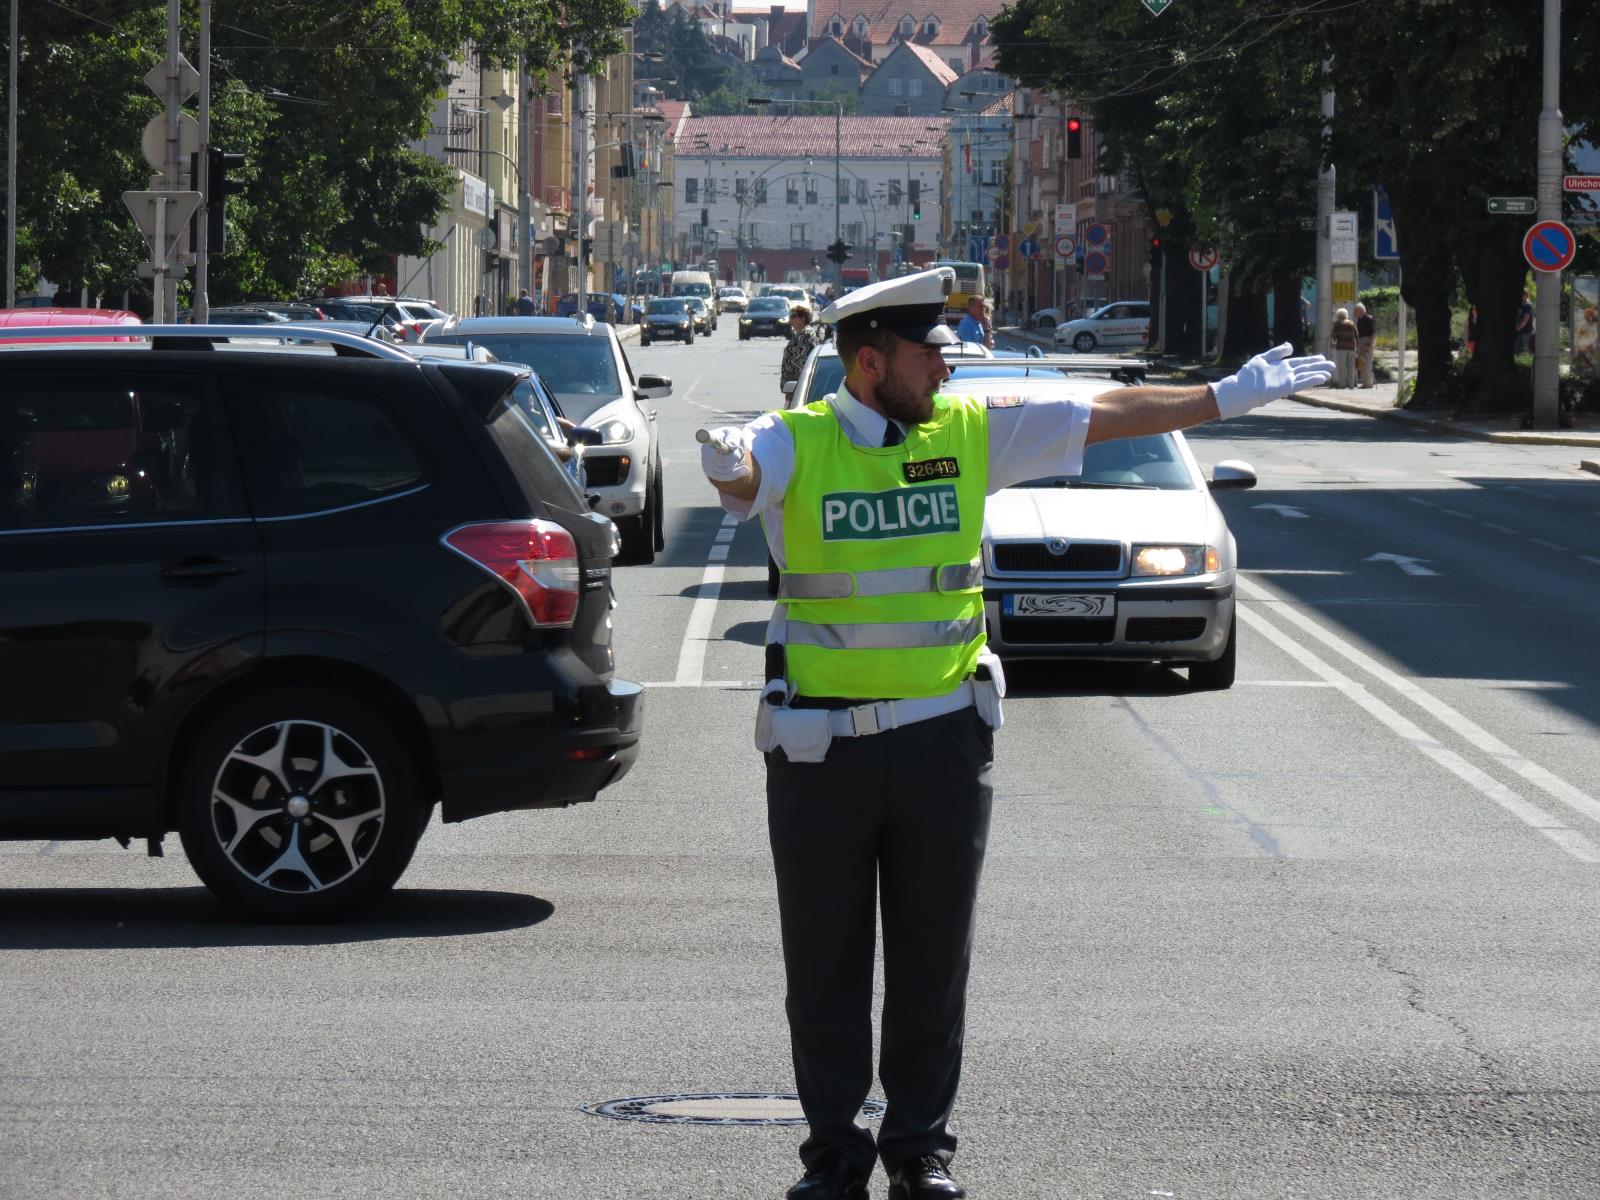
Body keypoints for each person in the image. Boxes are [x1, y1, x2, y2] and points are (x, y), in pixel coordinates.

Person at [698, 267, 1333, 1200]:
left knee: (932, 957)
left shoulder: (969, 429)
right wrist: (727, 464)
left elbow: (1103, 411)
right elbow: (748, 473)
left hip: (942, 742)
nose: (945, 367)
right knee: (824, 960)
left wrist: (1222, 398)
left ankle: (920, 1149)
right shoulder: (799, 441)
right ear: (871, 362)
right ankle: (834, 1149)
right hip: (820, 751)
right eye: (929, 353)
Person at [781, 303, 827, 399]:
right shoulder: (798, 335)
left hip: (800, 386)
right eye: (790, 316)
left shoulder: (806, 336)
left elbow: (804, 360)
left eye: (793, 316)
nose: (790, 319)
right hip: (793, 385)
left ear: (802, 319)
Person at [1331, 306, 1359, 388]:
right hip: (1351, 347)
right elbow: (1356, 335)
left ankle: (1342, 385)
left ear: (1338, 315)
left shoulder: (1337, 324)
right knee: (1351, 366)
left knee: (1342, 366)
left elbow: (1334, 336)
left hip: (1341, 347)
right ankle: (1351, 384)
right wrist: (1356, 346)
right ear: (1346, 315)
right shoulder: (1351, 323)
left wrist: (1334, 338)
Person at [1354, 302, 1376, 388]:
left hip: (1367, 342)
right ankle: (1365, 382)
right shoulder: (1359, 320)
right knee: (1361, 363)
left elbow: (1373, 333)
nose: (1354, 313)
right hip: (1360, 342)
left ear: (1360, 311)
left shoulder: (1369, 319)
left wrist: (1369, 344)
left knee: (1367, 363)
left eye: (1355, 311)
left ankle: (1369, 383)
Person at [1515, 289, 1535, 354]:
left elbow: (1524, 321)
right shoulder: (1520, 305)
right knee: (1517, 351)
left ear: (1526, 296)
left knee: (1524, 352)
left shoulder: (1528, 306)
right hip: (1519, 332)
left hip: (1526, 333)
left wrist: (1516, 329)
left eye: (1523, 295)